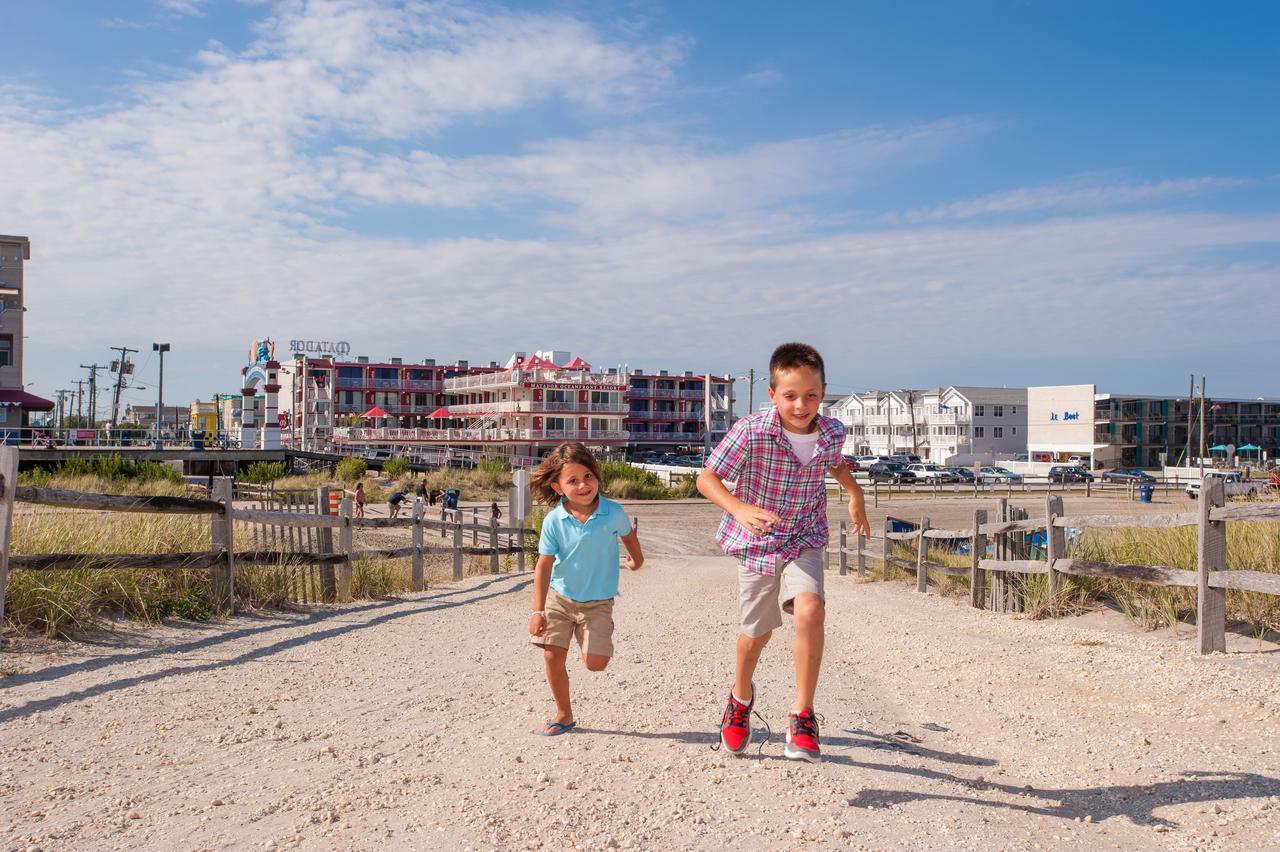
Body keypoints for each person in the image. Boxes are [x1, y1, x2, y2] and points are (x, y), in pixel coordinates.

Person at [697, 342, 870, 763]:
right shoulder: (752, 431)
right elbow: (708, 478)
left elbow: (835, 464)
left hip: (804, 534)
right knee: (757, 634)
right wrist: (737, 507)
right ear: (772, 395)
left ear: (823, 393)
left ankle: (803, 716)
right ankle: (740, 699)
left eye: (811, 395)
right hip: (758, 540)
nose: (801, 404)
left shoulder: (831, 432)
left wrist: (855, 494)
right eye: (790, 395)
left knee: (811, 609)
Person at [529, 442, 644, 736]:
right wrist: (537, 611)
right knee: (552, 655)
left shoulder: (612, 512)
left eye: (588, 476)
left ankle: (594, 634)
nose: (583, 485)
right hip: (560, 598)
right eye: (573, 480)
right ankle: (563, 714)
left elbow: (629, 537)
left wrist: (637, 561)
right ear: (557, 487)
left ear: (597, 475)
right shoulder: (555, 520)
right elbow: (543, 566)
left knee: (595, 664)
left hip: (598, 603)